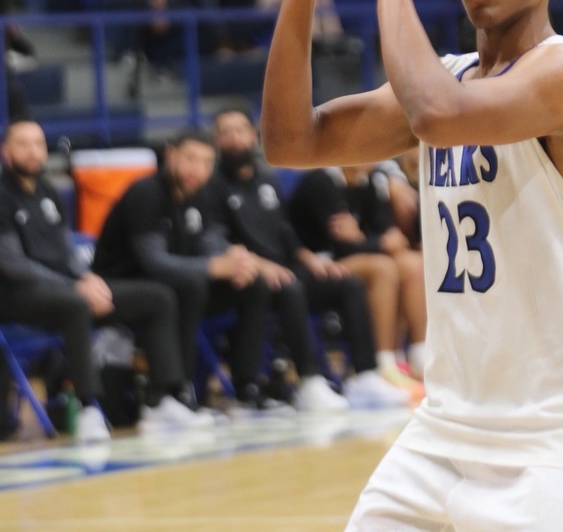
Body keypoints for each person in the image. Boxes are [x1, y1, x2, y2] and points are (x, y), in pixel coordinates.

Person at [260, 0, 563, 531]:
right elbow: (291, 141)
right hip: (443, 433)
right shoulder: (444, 75)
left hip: (559, 442)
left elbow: (437, 116)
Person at [0, 120, 213, 443]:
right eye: (23, 144)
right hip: (15, 295)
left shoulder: (50, 192)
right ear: (6, 151)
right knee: (75, 304)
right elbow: (13, 264)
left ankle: (161, 399)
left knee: (158, 297)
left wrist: (87, 277)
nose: (32, 152)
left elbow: (66, 250)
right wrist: (73, 285)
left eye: (38, 144)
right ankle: (88, 409)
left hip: (62, 287)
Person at [207, 109, 411, 410]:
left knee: (348, 283)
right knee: (290, 287)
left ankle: (366, 375)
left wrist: (311, 258)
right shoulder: (213, 187)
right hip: (248, 276)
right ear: (217, 141)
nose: (234, 138)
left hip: (285, 269)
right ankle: (309, 381)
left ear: (254, 136)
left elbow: (285, 232)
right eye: (226, 132)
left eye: (240, 130)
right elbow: (216, 240)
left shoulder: (267, 179)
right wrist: (260, 263)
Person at [92, 128, 279, 411]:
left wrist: (233, 258)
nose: (198, 169)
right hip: (119, 287)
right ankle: (173, 394)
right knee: (189, 285)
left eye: (206, 163)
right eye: (191, 159)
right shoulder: (146, 193)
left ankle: (247, 386)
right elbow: (153, 262)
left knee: (252, 283)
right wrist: (213, 266)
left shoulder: (199, 195)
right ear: (171, 156)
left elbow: (209, 242)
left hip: (174, 285)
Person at [288, 163, 427, 395]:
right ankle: (382, 362)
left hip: (350, 259)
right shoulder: (320, 182)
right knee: (383, 268)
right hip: (315, 266)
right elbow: (344, 245)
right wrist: (375, 242)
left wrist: (365, 239)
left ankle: (416, 355)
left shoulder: (370, 181)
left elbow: (387, 233)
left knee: (410, 263)